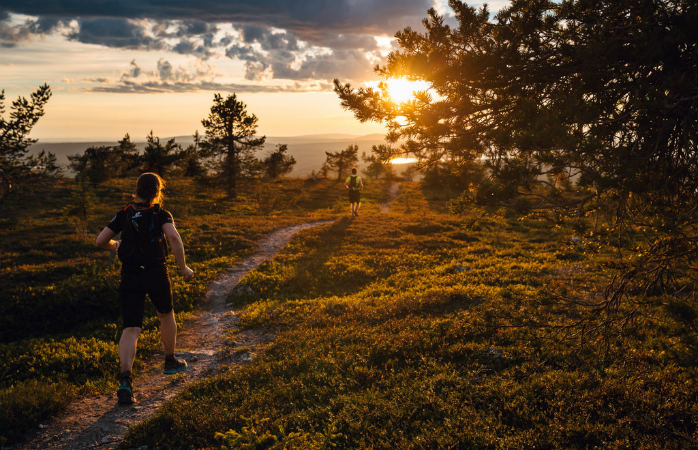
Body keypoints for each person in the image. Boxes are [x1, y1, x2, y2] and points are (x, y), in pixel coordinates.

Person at [96, 172, 194, 405]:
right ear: (158, 191)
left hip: (130, 273)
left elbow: (100, 240)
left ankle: (125, 381)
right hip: (155, 272)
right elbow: (174, 238)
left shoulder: (125, 213)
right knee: (166, 314)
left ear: (137, 190)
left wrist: (116, 244)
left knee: (131, 328)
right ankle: (170, 361)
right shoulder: (160, 213)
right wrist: (184, 268)